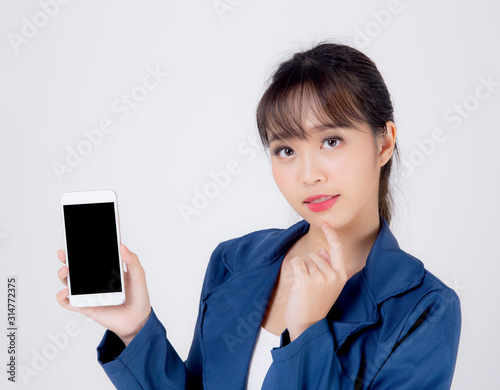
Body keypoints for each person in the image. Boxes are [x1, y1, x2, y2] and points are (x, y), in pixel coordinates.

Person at [56, 41, 462, 389]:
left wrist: (306, 333)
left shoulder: (424, 308)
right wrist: (136, 331)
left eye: (332, 140)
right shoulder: (235, 261)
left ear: (384, 143)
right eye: (286, 150)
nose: (308, 175)